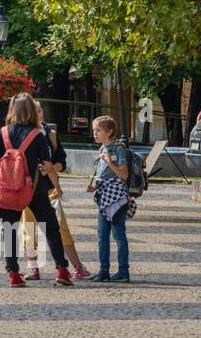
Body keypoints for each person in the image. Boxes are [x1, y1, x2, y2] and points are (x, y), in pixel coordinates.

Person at [0, 93, 72, 287]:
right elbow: (48, 166)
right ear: (31, 110)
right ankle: (62, 271)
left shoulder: (4, 132)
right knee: (50, 228)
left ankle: (14, 274)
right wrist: (57, 186)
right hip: (35, 188)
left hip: (9, 189)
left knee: (10, 229)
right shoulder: (37, 135)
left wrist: (7, 166)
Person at [19, 103, 90, 279]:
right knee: (29, 230)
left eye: (41, 111)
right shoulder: (22, 134)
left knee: (60, 228)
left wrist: (51, 169)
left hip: (50, 189)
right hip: (28, 190)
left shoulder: (50, 134)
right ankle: (33, 268)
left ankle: (77, 266)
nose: (39, 114)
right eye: (35, 112)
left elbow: (61, 161)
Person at [87, 115, 133, 282]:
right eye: (94, 130)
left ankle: (123, 272)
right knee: (102, 236)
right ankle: (103, 270)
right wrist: (94, 187)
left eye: (98, 130)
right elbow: (104, 176)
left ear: (110, 131)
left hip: (117, 199)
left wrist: (110, 162)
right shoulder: (102, 150)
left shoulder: (117, 149)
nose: (95, 133)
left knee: (119, 235)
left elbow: (124, 174)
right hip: (103, 198)